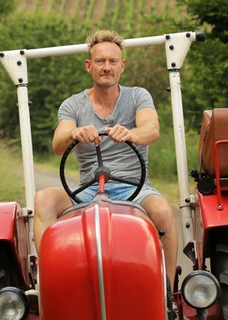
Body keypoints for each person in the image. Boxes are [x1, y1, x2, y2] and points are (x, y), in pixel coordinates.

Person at [33, 30, 177, 288]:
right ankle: (51, 282)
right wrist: (74, 132)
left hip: (134, 187)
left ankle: (166, 291)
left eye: (112, 62)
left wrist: (131, 133)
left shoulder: (138, 96)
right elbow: (58, 143)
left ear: (122, 65)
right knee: (43, 198)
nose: (106, 67)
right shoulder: (73, 105)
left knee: (163, 210)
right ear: (89, 66)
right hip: (87, 190)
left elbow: (152, 130)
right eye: (100, 61)